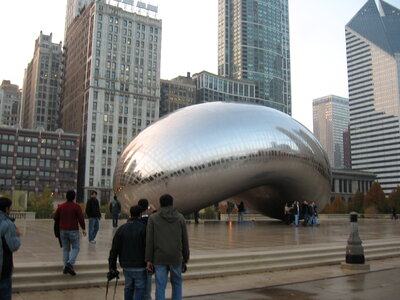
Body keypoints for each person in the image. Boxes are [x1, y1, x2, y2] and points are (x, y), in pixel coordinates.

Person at [145, 194, 190, 300]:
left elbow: (150, 241)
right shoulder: (180, 217)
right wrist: (186, 257)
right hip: (176, 256)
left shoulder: (153, 218)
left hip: (159, 257)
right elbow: (185, 239)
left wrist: (149, 260)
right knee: (177, 284)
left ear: (160, 203)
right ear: (172, 203)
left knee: (160, 286)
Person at [109, 205, 147, 300]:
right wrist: (150, 262)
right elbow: (148, 247)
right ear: (140, 214)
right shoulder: (144, 229)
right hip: (140, 265)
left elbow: (114, 250)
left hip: (126, 265)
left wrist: (112, 266)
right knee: (140, 288)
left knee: (128, 287)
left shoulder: (121, 229)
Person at [53, 190, 86, 276]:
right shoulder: (76, 207)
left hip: (62, 230)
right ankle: (70, 263)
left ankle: (65, 268)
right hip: (73, 230)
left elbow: (55, 217)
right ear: (74, 197)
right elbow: (81, 218)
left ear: (66, 196)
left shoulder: (61, 206)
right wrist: (84, 228)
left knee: (66, 249)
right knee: (76, 247)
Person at [0, 197, 21, 299]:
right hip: (3, 268)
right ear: (6, 209)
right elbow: (13, 246)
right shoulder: (8, 224)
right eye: (10, 208)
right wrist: (17, 235)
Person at [138, 198, 153, 300]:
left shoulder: (134, 222)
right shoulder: (151, 221)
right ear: (147, 208)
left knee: (136, 286)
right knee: (148, 285)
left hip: (136, 260)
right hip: (148, 259)